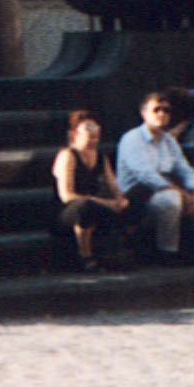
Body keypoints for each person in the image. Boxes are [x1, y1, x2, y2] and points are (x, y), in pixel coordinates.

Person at [112, 94, 194, 261]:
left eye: (166, 110)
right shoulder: (132, 139)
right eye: (156, 110)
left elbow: (184, 168)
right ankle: (168, 252)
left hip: (166, 188)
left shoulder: (169, 141)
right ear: (144, 113)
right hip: (138, 195)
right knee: (171, 199)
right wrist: (183, 193)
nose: (161, 114)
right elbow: (146, 175)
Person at [53, 111, 133, 270]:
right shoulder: (68, 155)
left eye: (95, 135)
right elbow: (66, 195)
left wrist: (121, 199)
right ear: (75, 134)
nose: (92, 139)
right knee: (85, 207)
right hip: (67, 210)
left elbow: (113, 185)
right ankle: (85, 255)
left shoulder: (100, 157)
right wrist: (103, 202)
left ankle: (116, 252)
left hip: (95, 202)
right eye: (88, 135)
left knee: (127, 204)